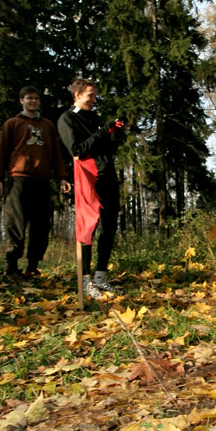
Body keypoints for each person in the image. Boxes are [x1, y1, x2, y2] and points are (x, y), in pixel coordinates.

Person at [57, 78, 126, 299]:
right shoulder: (67, 119)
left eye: (95, 95)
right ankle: (85, 280)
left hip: (108, 175)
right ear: (77, 95)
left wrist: (115, 133)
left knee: (110, 225)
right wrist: (102, 132)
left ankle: (100, 277)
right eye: (90, 96)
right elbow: (77, 150)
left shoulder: (95, 118)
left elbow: (106, 147)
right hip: (88, 177)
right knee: (88, 227)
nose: (95, 99)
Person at [0, 86, 71, 277]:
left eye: (36, 99)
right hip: (18, 178)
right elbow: (2, 152)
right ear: (22, 101)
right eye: (29, 98)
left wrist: (61, 177)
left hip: (42, 180)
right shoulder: (12, 124)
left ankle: (33, 266)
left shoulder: (47, 126)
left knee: (41, 225)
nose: (33, 101)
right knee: (15, 223)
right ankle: (12, 267)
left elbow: (55, 153)